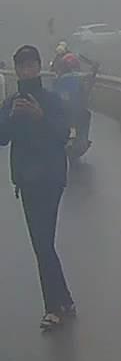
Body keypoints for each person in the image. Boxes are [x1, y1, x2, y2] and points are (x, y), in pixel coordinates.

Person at [0, 45, 75, 330]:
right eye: (22, 67)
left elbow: (62, 135)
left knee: (42, 243)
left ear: (39, 67)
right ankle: (65, 300)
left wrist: (40, 116)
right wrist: (11, 118)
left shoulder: (52, 101)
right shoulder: (11, 103)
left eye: (31, 65)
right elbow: (1, 138)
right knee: (42, 244)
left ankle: (53, 308)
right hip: (26, 181)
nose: (27, 71)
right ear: (17, 70)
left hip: (51, 179)